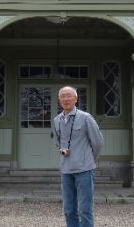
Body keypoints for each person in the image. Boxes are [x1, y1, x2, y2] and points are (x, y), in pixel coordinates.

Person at [52, 86, 104, 227]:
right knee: (69, 210)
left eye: (69, 95)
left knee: (85, 210)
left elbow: (98, 142)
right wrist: (63, 150)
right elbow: (58, 142)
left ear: (76, 99)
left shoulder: (85, 118)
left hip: (84, 170)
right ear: (59, 100)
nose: (66, 99)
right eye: (63, 96)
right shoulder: (57, 120)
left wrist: (88, 159)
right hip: (66, 170)